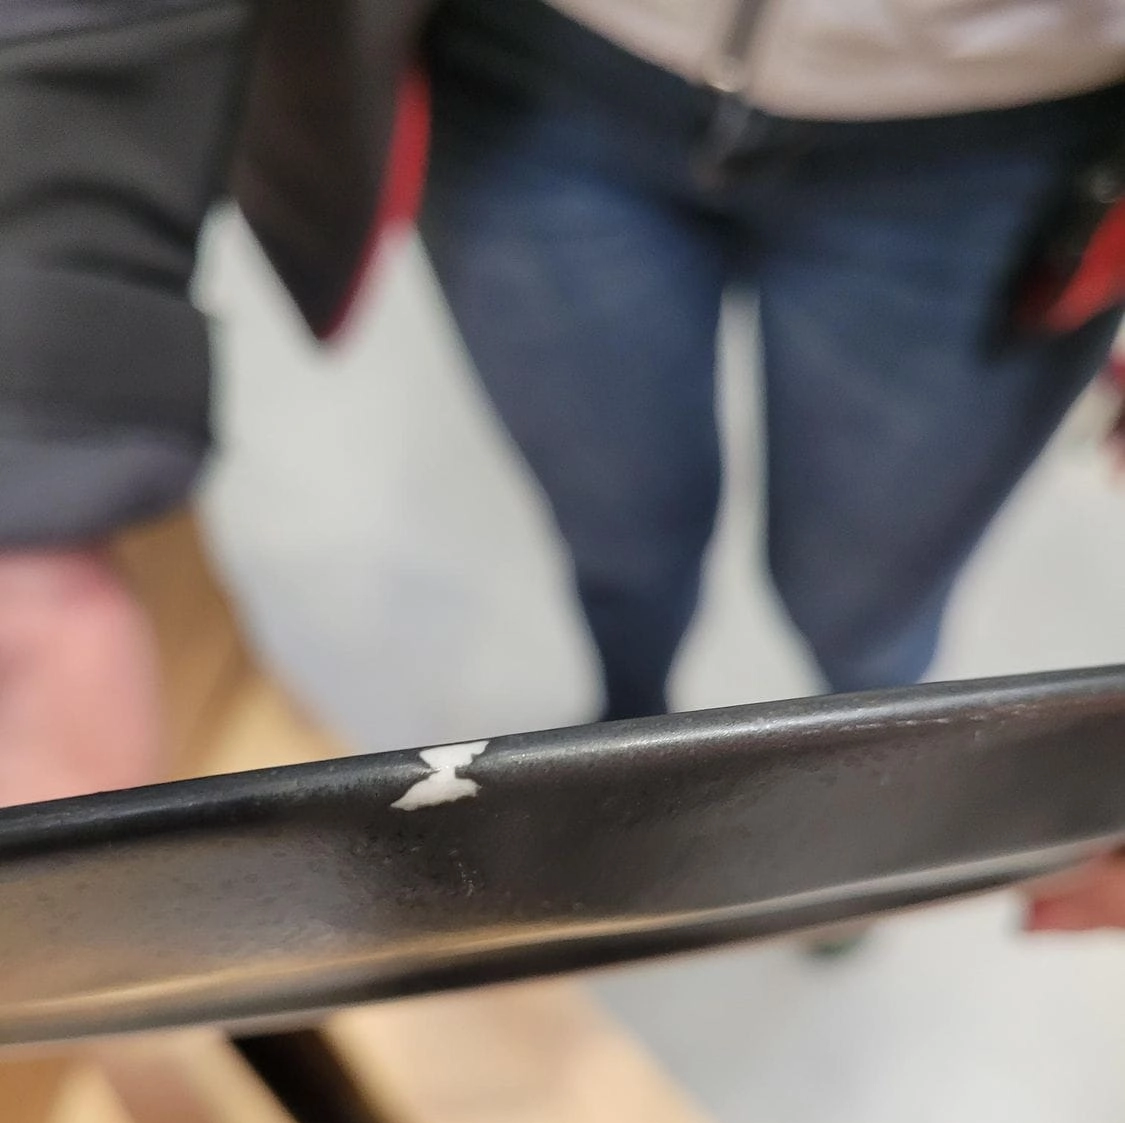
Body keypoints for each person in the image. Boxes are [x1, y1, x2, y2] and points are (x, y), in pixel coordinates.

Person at [1, 0, 1123, 929]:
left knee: (864, 604)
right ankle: (627, 745)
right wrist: (34, 394)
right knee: (623, 537)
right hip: (539, 79)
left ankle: (853, 824)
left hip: (1001, 138)